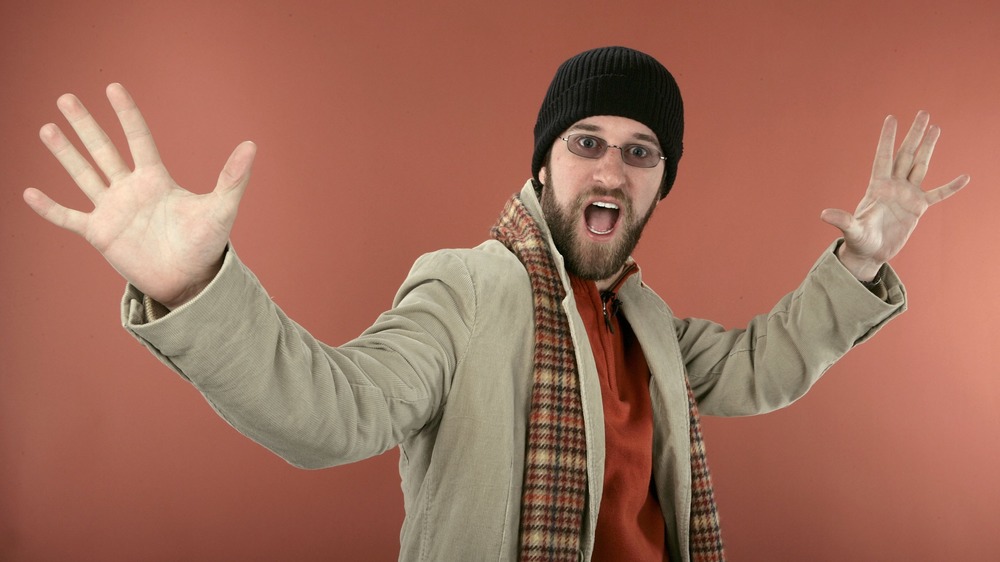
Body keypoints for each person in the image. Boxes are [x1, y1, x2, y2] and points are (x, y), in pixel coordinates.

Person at [23, 46, 968, 562]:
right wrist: (193, 284)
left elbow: (762, 368)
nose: (612, 167)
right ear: (544, 164)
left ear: (659, 184)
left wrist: (855, 260)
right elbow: (335, 412)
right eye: (587, 142)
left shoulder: (644, 321)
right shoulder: (466, 287)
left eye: (641, 153)